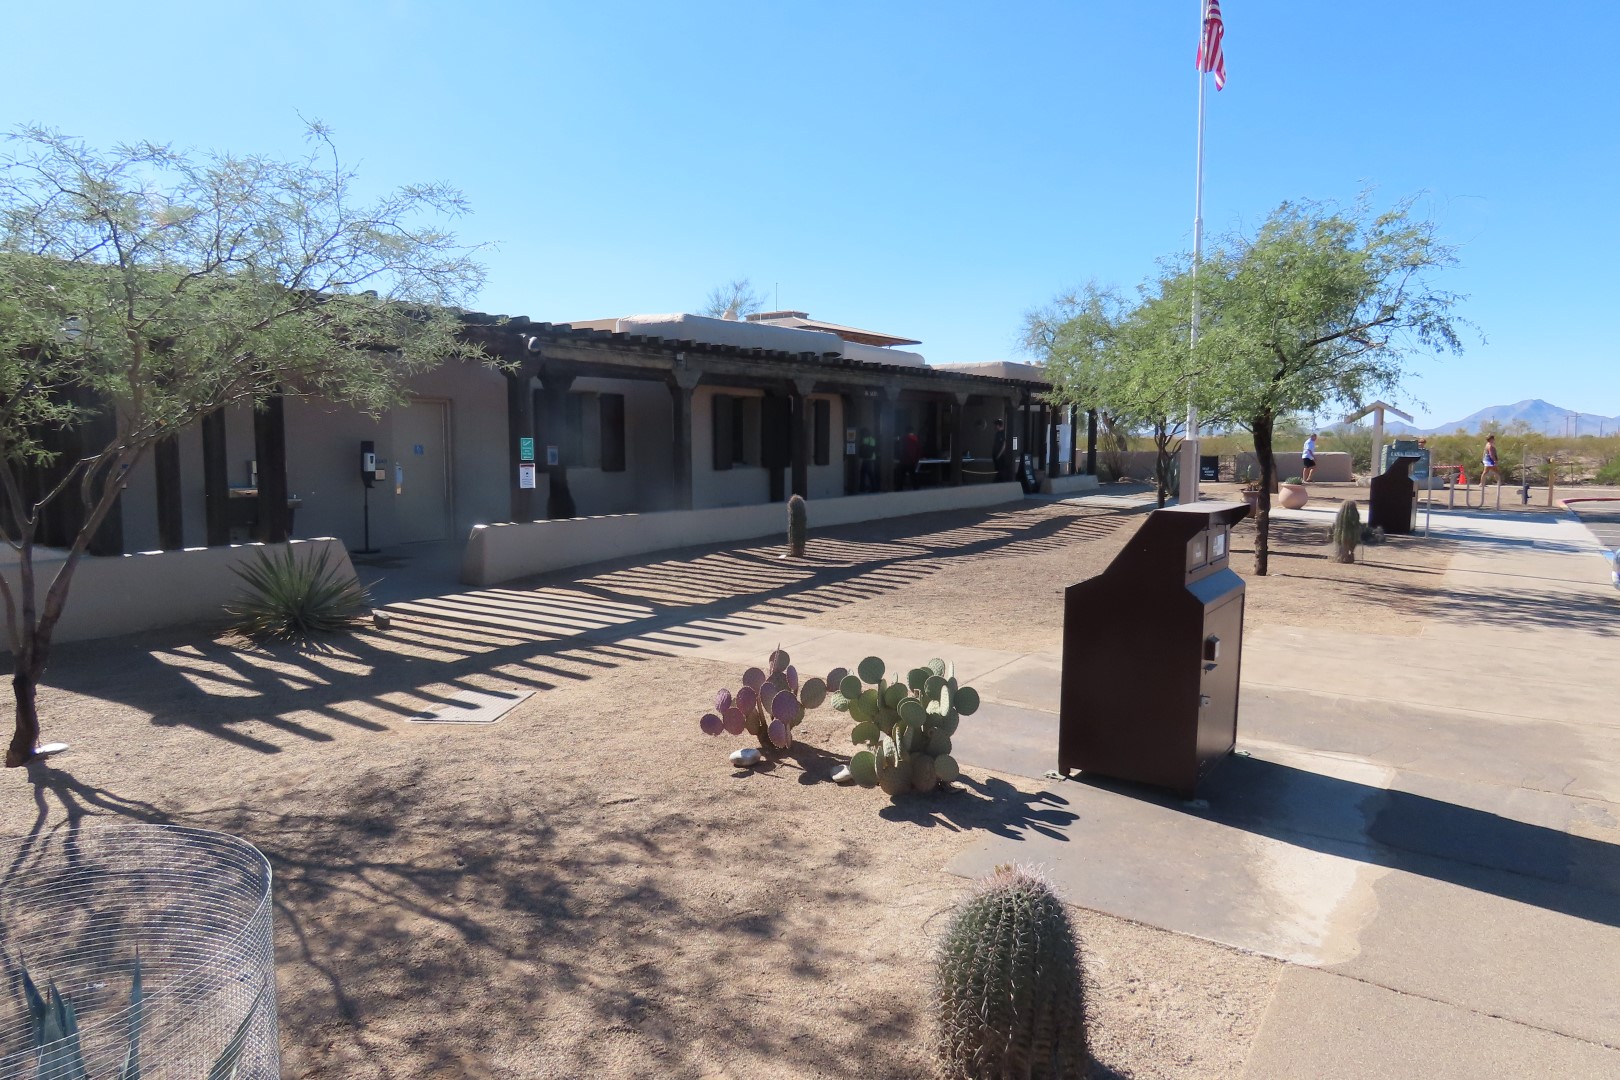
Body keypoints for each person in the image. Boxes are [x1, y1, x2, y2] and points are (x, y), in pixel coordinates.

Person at [857, 427, 878, 492]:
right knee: (868, 473)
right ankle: (872, 488)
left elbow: (861, 448)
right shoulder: (872, 439)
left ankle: (864, 488)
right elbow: (873, 448)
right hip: (871, 457)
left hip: (866, 458)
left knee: (865, 474)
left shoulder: (863, 439)